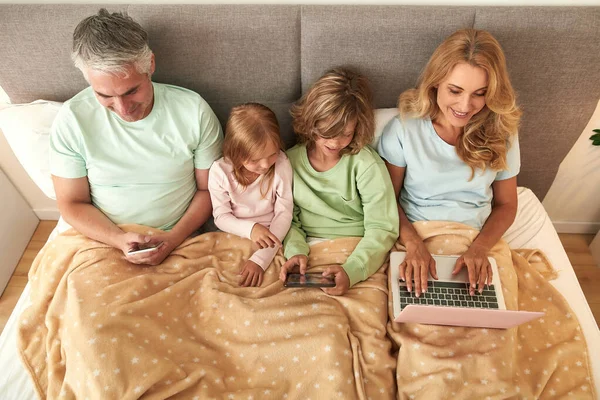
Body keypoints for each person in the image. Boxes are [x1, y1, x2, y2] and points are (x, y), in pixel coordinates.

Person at [50, 9, 223, 266]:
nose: (123, 109)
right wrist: (119, 239)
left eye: (131, 91)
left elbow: (209, 190)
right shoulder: (72, 119)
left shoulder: (193, 111)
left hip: (180, 235)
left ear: (150, 65)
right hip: (102, 239)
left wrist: (171, 239)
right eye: (104, 95)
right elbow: (71, 203)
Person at [377, 28, 522, 297]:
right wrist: (413, 244)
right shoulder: (405, 128)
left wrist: (479, 249)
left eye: (480, 93)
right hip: (416, 237)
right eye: (455, 90)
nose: (465, 106)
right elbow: (385, 200)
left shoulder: (502, 131)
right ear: (435, 83)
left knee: (489, 327)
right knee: (419, 326)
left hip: (477, 240)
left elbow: (507, 204)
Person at [280, 67, 399, 296]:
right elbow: (287, 219)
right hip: (306, 251)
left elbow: (382, 227)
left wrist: (353, 270)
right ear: (311, 122)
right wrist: (295, 252)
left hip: (357, 252)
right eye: (327, 132)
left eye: (346, 134)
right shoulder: (289, 162)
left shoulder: (365, 164)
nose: (335, 142)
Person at [208, 103, 293, 287]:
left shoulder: (281, 164)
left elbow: (284, 213)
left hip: (274, 238)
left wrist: (260, 260)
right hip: (235, 234)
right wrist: (251, 229)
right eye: (255, 159)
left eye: (271, 154)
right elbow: (221, 217)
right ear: (235, 152)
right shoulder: (220, 171)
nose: (265, 165)